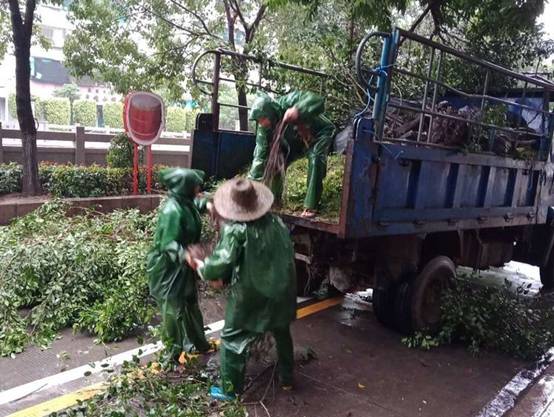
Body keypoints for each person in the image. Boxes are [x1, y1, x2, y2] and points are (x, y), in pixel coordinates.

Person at [187, 178, 297, 400]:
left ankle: (230, 390)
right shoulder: (277, 222)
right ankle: (287, 378)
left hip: (252, 295)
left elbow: (218, 266)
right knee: (282, 330)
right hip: (284, 289)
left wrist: (200, 264)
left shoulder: (236, 230)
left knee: (232, 338)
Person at [146, 168, 213, 360]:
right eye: (195, 186)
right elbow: (168, 244)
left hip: (183, 266)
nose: (198, 189)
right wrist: (187, 256)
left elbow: (197, 203)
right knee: (173, 310)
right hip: (168, 268)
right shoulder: (172, 211)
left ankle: (198, 344)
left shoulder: (185, 202)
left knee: (190, 303)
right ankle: (171, 355)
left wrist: (209, 206)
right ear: (186, 187)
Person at [247, 91, 335, 218]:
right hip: (295, 141)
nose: (262, 123)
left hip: (318, 133)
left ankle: (311, 205)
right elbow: (260, 155)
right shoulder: (264, 128)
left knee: (315, 158)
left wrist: (298, 109)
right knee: (275, 162)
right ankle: (275, 201)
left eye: (263, 119)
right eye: (259, 121)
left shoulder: (287, 102)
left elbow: (318, 101)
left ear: (270, 112)